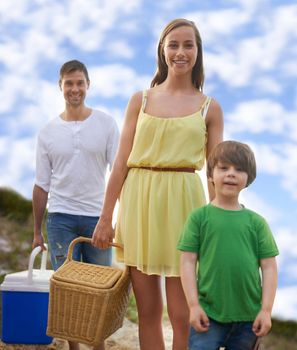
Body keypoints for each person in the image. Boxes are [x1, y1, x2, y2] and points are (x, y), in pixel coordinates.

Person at [91, 18, 223, 350]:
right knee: (149, 311)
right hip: (140, 205)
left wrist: (218, 225)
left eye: (188, 45)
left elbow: (214, 172)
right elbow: (120, 163)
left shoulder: (210, 108)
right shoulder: (141, 100)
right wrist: (106, 218)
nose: (180, 52)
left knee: (182, 314)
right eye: (173, 44)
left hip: (185, 207)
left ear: (198, 51)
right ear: (162, 51)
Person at [32, 59, 119, 350]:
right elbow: (41, 184)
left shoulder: (106, 124)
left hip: (97, 217)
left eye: (79, 82)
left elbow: (118, 173)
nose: (74, 88)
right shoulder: (47, 132)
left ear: (88, 86)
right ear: (61, 86)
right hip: (60, 219)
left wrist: (114, 217)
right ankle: (73, 347)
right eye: (69, 83)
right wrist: (36, 232)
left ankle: (98, 346)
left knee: (100, 290)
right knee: (68, 289)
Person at [178, 140, 279, 350]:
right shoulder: (199, 217)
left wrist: (266, 310)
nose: (231, 174)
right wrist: (194, 305)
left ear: (248, 178)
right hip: (208, 314)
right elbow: (187, 262)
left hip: (249, 318)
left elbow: (269, 267)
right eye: (223, 168)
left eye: (239, 169)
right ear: (211, 175)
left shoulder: (257, 223)